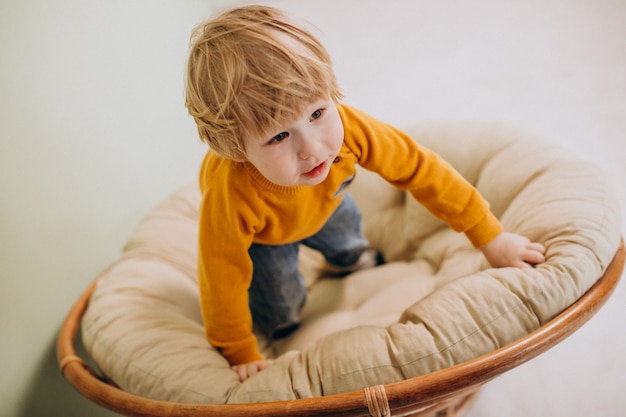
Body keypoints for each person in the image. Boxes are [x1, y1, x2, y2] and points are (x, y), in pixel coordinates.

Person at [184, 5, 546, 382]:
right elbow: (220, 274)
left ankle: (352, 261)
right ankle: (281, 328)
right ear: (234, 148)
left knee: (349, 239)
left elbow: (422, 169)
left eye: (317, 114)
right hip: (267, 237)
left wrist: (491, 236)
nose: (312, 149)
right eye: (278, 137)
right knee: (279, 305)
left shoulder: (352, 130)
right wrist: (238, 348)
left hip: (330, 200)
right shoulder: (231, 195)